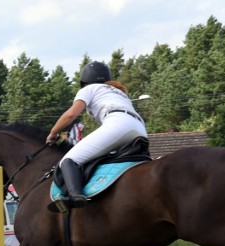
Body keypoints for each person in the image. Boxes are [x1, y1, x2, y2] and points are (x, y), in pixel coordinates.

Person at [46, 61, 148, 208]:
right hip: (139, 128)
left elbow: (71, 115)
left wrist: (53, 133)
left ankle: (76, 196)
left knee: (68, 160)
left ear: (84, 81)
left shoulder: (89, 89)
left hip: (118, 124)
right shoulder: (118, 92)